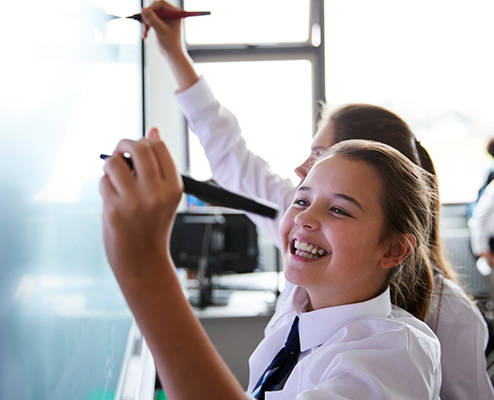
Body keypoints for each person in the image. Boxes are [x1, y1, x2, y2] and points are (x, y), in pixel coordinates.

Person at [139, 2, 494, 398]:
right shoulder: (304, 277)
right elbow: (231, 157)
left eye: (320, 155)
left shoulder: (416, 335)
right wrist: (174, 52)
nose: (300, 170)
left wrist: (143, 265)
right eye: (304, 199)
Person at [100, 134, 441, 398]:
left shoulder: (395, 354)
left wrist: (145, 269)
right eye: (302, 200)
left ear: (395, 249)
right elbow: (237, 162)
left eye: (339, 210)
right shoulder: (298, 305)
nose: (304, 217)